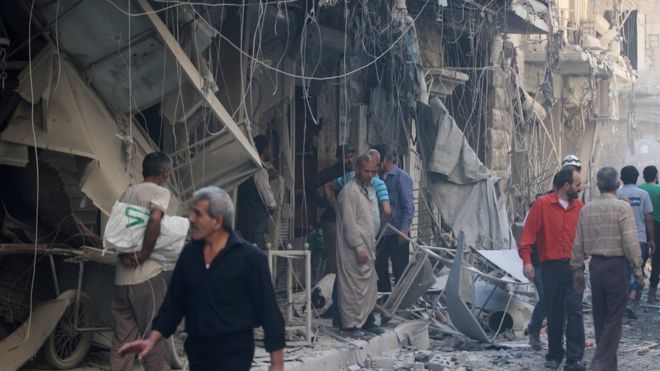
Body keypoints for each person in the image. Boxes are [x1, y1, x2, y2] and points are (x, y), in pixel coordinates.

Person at [118, 187, 285, 371]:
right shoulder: (190, 255)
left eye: (198, 214)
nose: (190, 218)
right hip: (198, 354)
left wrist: (276, 364)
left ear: (217, 221)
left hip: (234, 355)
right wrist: (151, 340)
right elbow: (174, 305)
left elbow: (270, 313)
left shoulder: (250, 258)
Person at [571, 167, 643, 371]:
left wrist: (576, 270)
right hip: (616, 267)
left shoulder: (587, 208)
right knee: (614, 318)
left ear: (598, 185)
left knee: (600, 316)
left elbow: (578, 242)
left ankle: (609, 365)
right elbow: (630, 241)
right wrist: (638, 269)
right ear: (618, 184)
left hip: (596, 267)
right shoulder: (622, 208)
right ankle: (600, 364)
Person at [110, 152, 173, 371]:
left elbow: (116, 230)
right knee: (153, 337)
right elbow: (155, 217)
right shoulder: (160, 192)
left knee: (122, 340)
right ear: (165, 172)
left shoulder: (127, 193)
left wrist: (123, 255)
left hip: (121, 279)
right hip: (146, 278)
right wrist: (143, 254)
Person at [518, 166, 586, 371]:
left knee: (575, 312)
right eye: (578, 184)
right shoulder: (542, 205)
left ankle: (574, 358)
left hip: (575, 266)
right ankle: (555, 355)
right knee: (554, 311)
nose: (581, 188)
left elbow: (584, 235)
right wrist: (527, 261)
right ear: (566, 186)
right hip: (551, 267)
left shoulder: (580, 207)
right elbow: (527, 235)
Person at [335, 153, 380, 334]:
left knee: (368, 288)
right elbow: (350, 223)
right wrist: (359, 247)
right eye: (366, 171)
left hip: (367, 247)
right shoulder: (349, 191)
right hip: (353, 249)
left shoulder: (366, 190)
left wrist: (371, 243)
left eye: (372, 172)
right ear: (357, 170)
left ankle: (366, 321)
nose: (369, 175)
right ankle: (350, 325)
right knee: (351, 288)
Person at [307, 144, 356, 275]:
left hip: (348, 220)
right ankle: (328, 292)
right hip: (331, 220)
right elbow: (310, 184)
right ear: (338, 158)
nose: (349, 160)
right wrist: (322, 203)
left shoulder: (353, 175)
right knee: (333, 259)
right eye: (346, 157)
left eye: (351, 157)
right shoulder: (330, 173)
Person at [373, 144, 414, 293]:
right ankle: (384, 299)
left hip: (397, 231)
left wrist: (404, 228)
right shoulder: (378, 178)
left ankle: (400, 303)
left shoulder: (401, 177)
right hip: (381, 232)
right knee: (380, 268)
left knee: (400, 270)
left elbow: (408, 205)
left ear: (385, 159)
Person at [616, 165, 654, 317]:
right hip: (639, 239)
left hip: (619, 240)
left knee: (624, 270)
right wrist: (651, 239)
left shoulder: (616, 194)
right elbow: (649, 219)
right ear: (637, 177)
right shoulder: (643, 194)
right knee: (637, 270)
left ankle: (625, 301)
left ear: (621, 178)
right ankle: (631, 298)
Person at [328, 148, 391, 234]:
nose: (369, 174)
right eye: (366, 170)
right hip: (357, 235)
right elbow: (387, 211)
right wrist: (336, 209)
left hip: (364, 235)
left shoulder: (376, 184)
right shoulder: (351, 181)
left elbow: (328, 186)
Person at [236, 134, 277, 249]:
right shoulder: (260, 171)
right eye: (270, 148)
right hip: (256, 228)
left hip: (243, 225)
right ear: (264, 150)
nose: (271, 151)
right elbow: (270, 203)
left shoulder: (246, 169)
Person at [638, 165, 660, 303]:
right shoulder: (659, 189)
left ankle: (636, 290)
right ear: (656, 175)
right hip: (657, 226)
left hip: (640, 226)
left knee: (640, 258)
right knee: (657, 259)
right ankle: (652, 292)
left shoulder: (639, 189)